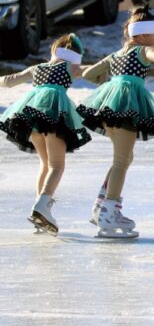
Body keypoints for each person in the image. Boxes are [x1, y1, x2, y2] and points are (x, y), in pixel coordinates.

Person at [77, 6, 154, 238]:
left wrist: (107, 84)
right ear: (142, 35)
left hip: (110, 106)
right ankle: (108, 211)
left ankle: (103, 205)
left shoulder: (116, 54)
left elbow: (88, 74)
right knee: (122, 160)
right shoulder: (143, 51)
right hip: (127, 107)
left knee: (123, 158)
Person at [0, 33, 91, 235]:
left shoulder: (37, 68)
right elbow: (92, 73)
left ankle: (39, 210)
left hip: (29, 115)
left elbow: (8, 80)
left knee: (45, 164)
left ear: (53, 51)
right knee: (57, 165)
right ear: (75, 56)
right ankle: (42, 206)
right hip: (54, 114)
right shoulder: (70, 66)